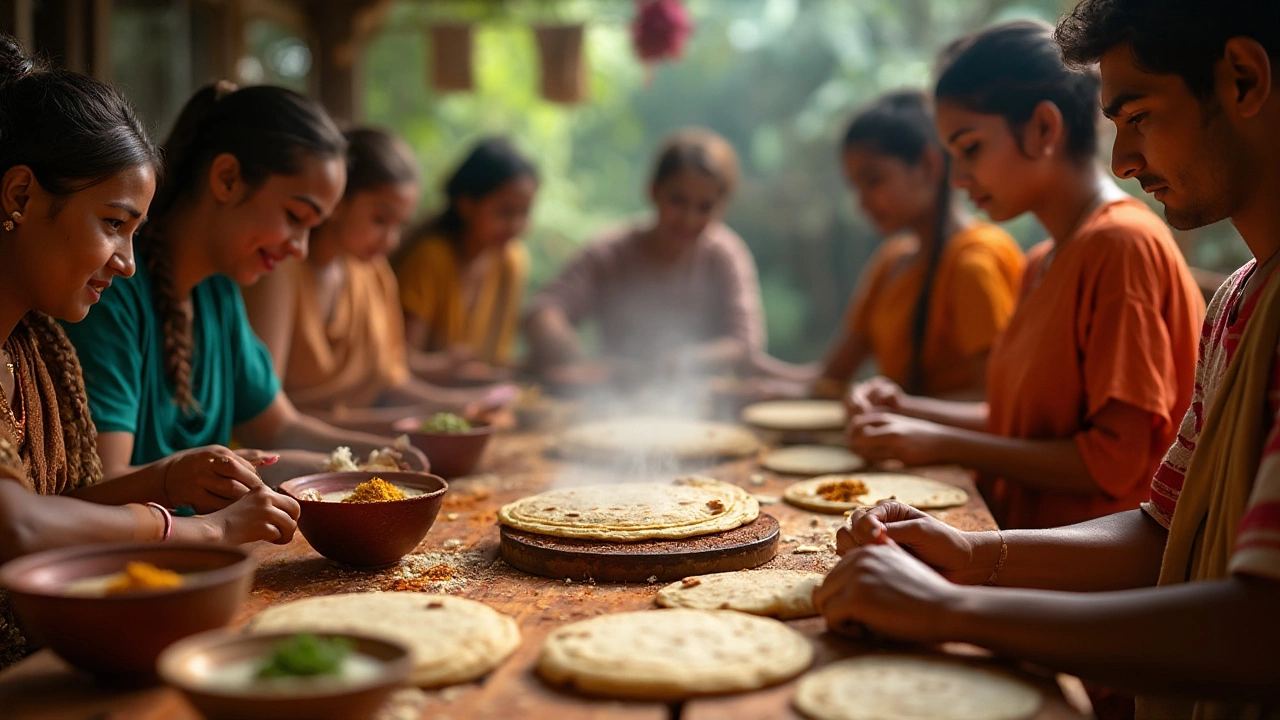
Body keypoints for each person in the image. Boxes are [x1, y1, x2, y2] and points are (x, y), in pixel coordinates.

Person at [817, 2, 1280, 716]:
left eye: (1140, 116)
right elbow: (1163, 526)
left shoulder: (1123, 247)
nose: (1123, 160)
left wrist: (953, 609)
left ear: (1244, 80)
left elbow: (1258, 629)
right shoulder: (1242, 300)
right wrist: (973, 555)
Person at [0, 38, 298, 671]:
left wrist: (168, 478)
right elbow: (18, 527)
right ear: (20, 196)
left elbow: (59, 510)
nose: (128, 263)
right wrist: (196, 530)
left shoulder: (38, 350)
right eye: (113, 224)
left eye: (135, 233)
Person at [846, 20, 1205, 529]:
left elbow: (1115, 460)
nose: (959, 178)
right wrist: (909, 411)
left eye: (970, 148)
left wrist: (940, 441)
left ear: (1043, 128)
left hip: (1094, 578)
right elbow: (1025, 426)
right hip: (1021, 542)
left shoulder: (1120, 245)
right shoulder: (1042, 261)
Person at [62, 83, 424, 486]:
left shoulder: (217, 293)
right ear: (227, 178)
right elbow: (104, 481)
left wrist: (385, 459)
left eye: (312, 228)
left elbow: (279, 428)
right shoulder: (111, 290)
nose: (300, 249)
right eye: (294, 216)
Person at [244, 128, 508, 434]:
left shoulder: (373, 273)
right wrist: (416, 422)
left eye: (400, 225)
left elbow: (391, 380)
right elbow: (263, 418)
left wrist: (459, 405)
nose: (392, 241)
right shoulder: (280, 269)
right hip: (295, 446)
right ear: (337, 200)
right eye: (380, 220)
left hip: (354, 439)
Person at [809, 91, 1023, 400]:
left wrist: (902, 410)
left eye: (873, 181)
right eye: (855, 187)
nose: (862, 204)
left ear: (927, 164)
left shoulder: (974, 263)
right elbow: (828, 379)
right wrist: (754, 376)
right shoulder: (892, 261)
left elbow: (999, 401)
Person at [523, 127, 765, 382]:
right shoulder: (611, 252)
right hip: (612, 400)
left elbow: (745, 345)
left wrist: (677, 363)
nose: (689, 218)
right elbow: (543, 309)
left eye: (704, 207)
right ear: (653, 190)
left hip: (704, 404)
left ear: (722, 208)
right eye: (677, 200)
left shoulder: (725, 255)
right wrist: (567, 350)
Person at [394, 139, 538, 385]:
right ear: (466, 204)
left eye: (524, 213)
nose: (515, 226)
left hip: (472, 395)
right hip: (423, 399)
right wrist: (446, 365)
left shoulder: (512, 261)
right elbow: (400, 362)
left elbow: (494, 360)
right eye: (504, 212)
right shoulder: (432, 258)